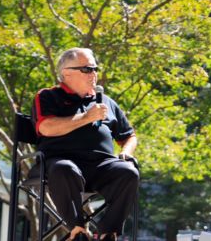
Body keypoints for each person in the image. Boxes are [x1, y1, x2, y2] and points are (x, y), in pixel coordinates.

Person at [33, 48, 139, 241]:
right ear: (66, 73)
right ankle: (77, 231)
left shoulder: (106, 102)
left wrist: (126, 152)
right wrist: (87, 117)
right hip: (62, 164)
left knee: (128, 172)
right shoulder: (48, 96)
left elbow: (129, 136)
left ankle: (107, 232)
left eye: (95, 68)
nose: (94, 73)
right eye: (87, 69)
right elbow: (46, 127)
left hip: (102, 167)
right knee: (64, 168)